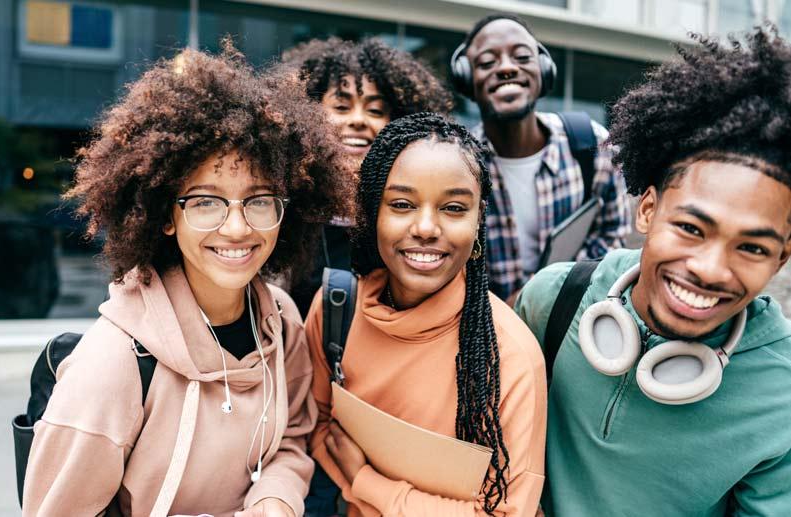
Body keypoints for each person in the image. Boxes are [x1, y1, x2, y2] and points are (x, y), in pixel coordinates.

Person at [22, 45, 354, 516]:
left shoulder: (280, 319)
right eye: (205, 202)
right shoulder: (113, 366)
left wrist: (274, 499)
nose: (237, 228)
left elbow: (291, 437)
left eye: (259, 200)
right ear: (165, 217)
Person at [515, 26, 791, 516]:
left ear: (782, 259)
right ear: (646, 211)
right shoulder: (553, 298)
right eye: (690, 227)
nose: (710, 269)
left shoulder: (783, 394)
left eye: (751, 246)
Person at [307, 113, 546, 516]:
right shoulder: (337, 308)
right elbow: (316, 426)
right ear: (371, 213)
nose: (425, 227)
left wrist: (368, 483)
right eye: (401, 204)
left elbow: (509, 511)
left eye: (453, 208)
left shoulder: (511, 357)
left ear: (478, 220)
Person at [452, 13, 630, 304]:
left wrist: (547, 292)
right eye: (487, 62)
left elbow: (614, 236)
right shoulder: (459, 162)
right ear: (465, 77)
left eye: (522, 57)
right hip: (488, 331)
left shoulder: (590, 145)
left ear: (544, 70)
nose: (507, 67)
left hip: (569, 321)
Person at [280, 37, 454, 316]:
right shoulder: (286, 216)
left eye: (375, 110)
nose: (358, 120)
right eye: (341, 107)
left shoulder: (412, 220)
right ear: (308, 116)